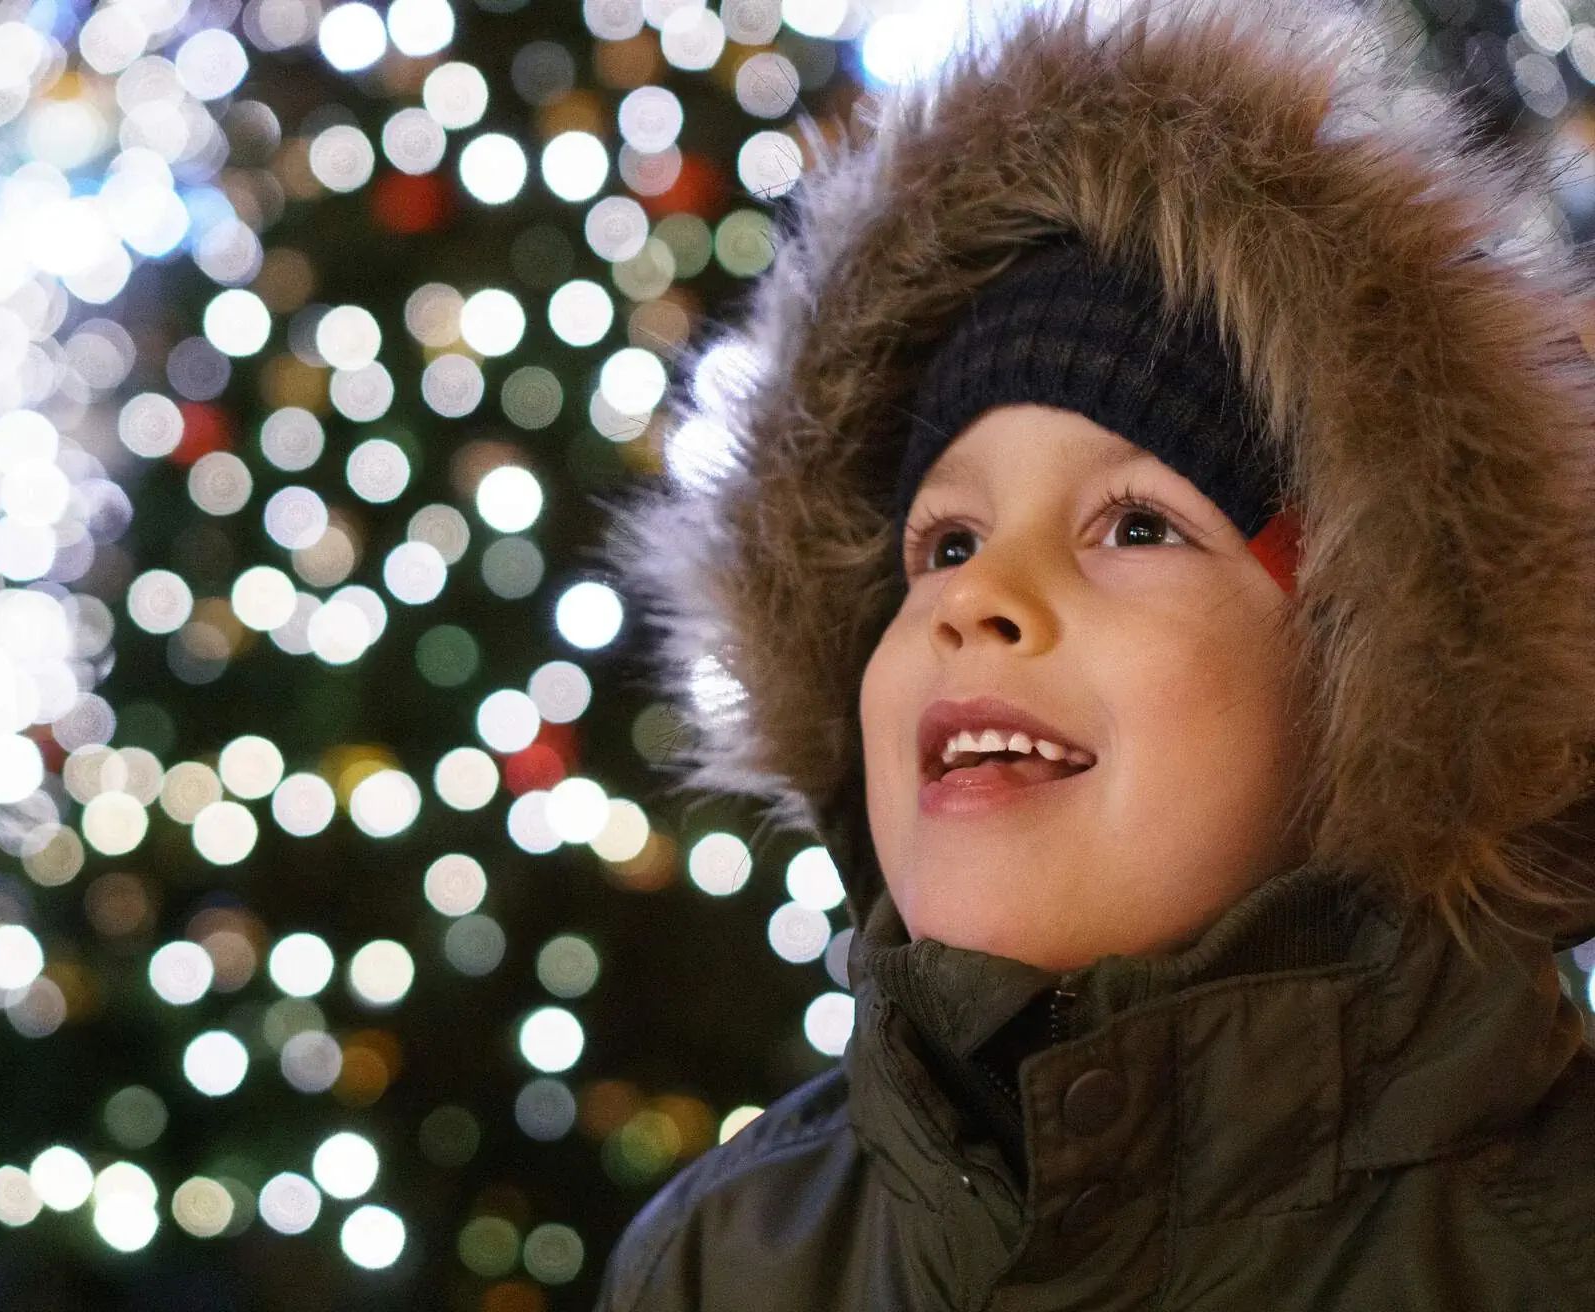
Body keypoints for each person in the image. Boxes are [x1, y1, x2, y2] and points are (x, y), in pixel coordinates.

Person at [597, 0, 1595, 1306]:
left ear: (1377, 676)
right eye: (944, 543)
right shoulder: (728, 1263)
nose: (978, 598)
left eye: (1135, 524)